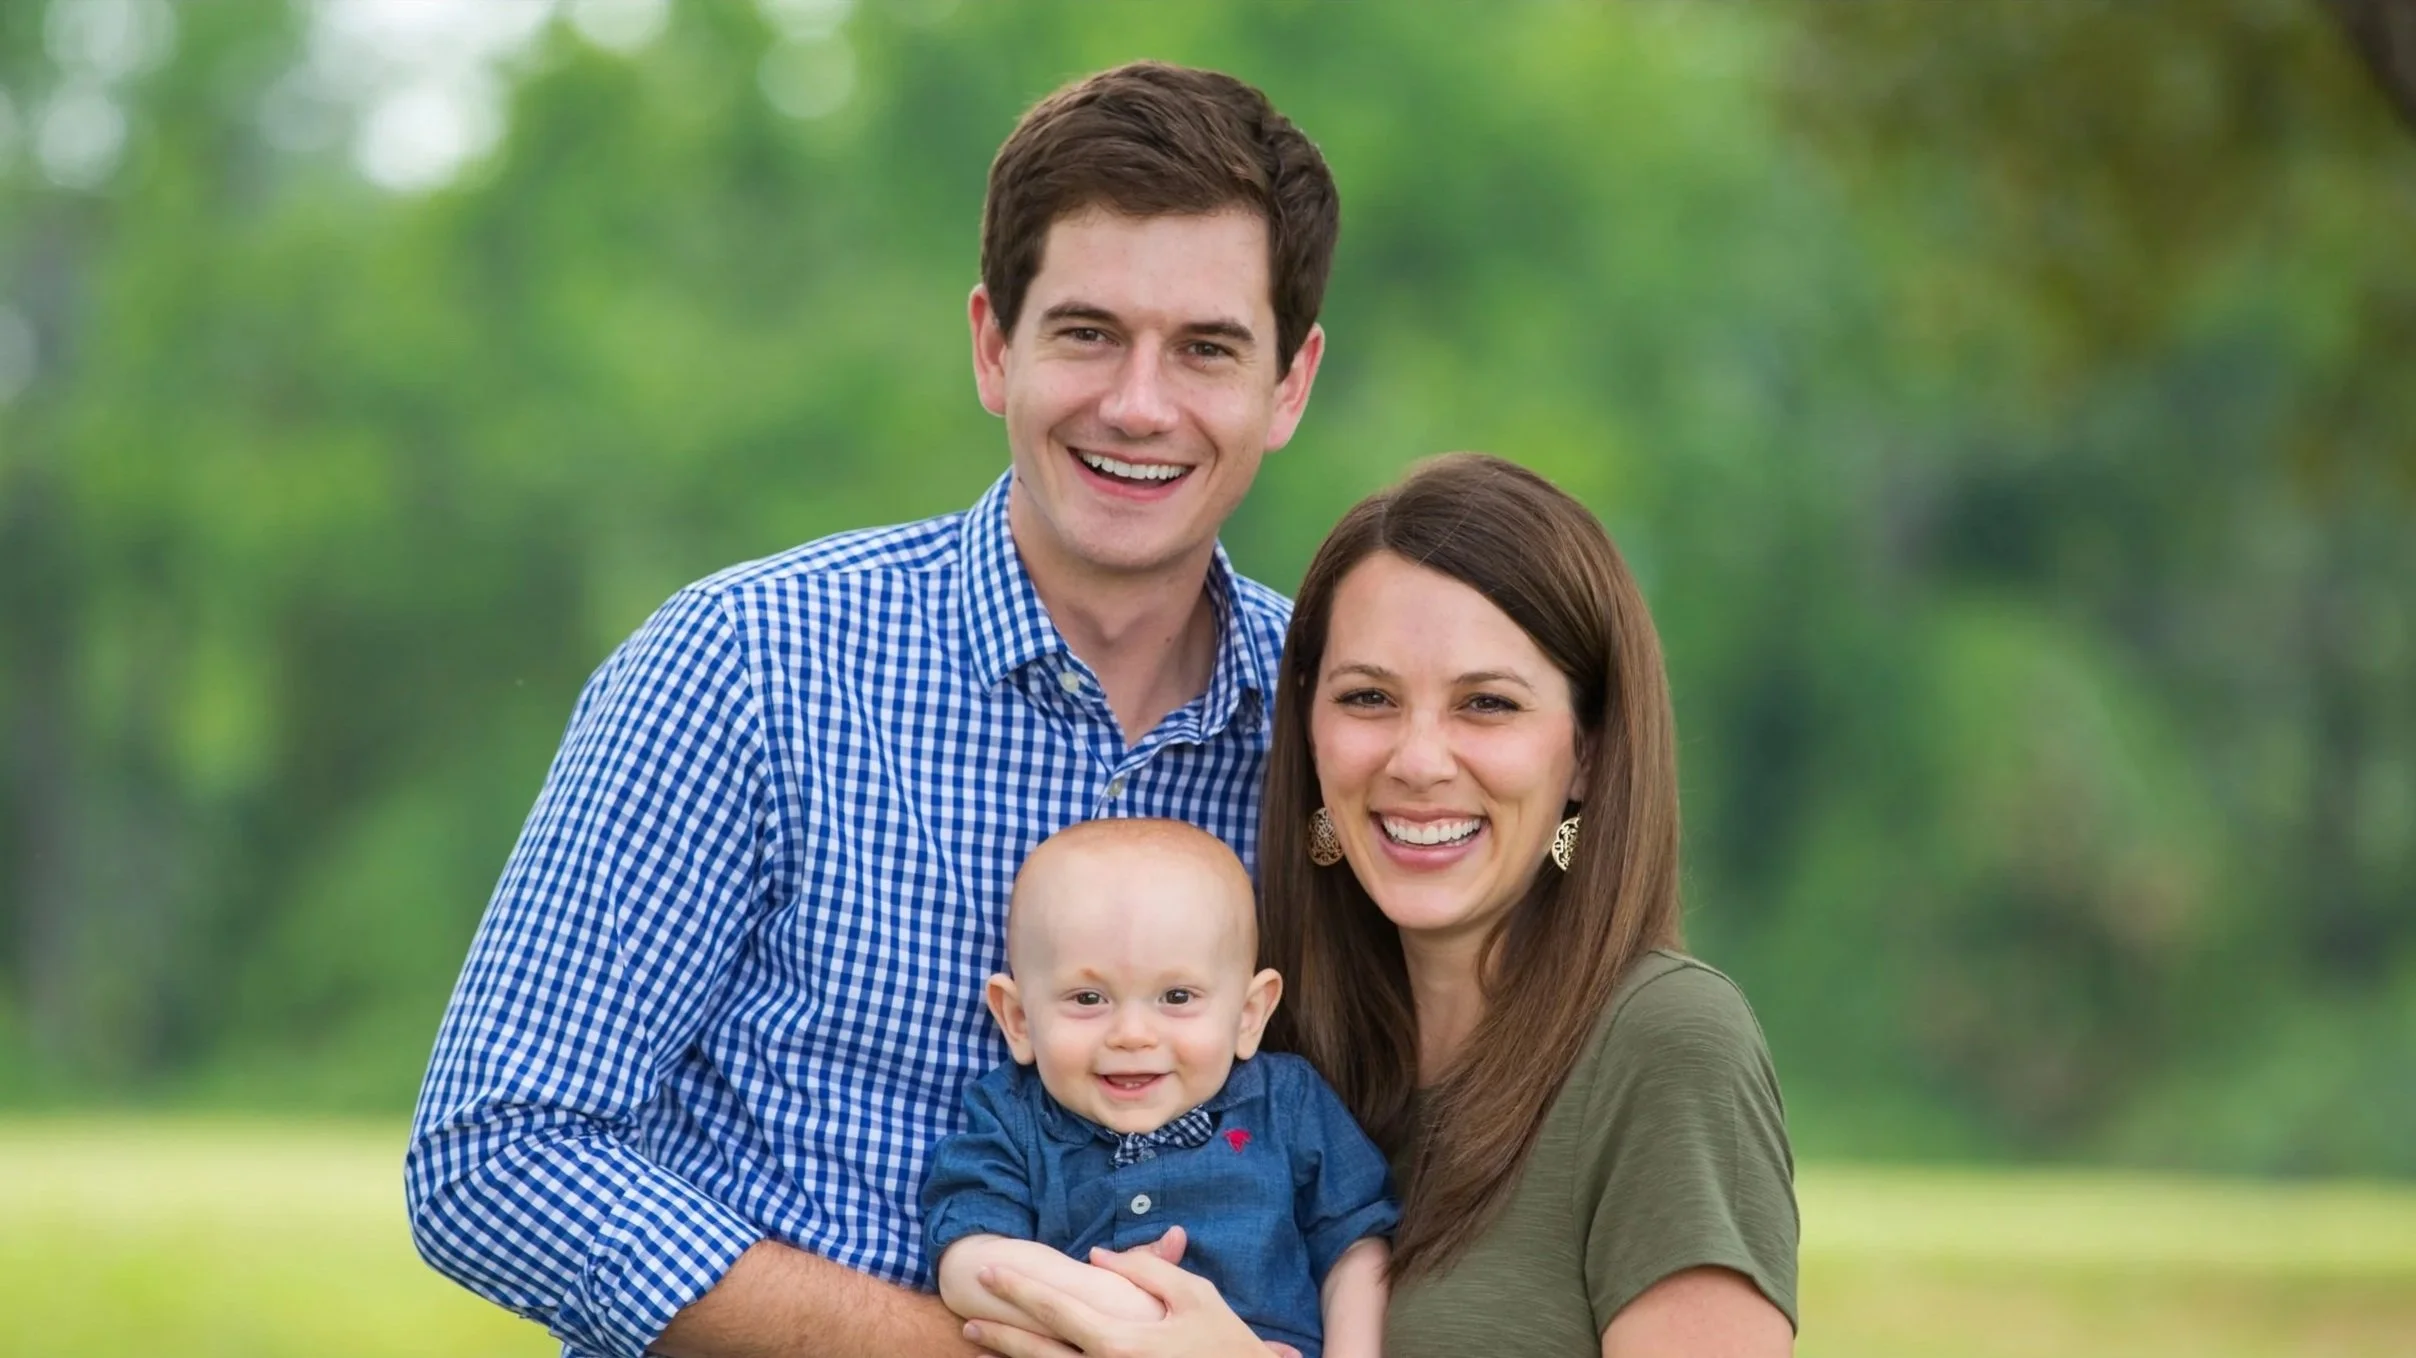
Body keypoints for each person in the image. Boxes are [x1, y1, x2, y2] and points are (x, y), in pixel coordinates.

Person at [405, 61, 1336, 1358]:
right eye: (1085, 333)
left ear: (1288, 383)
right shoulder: (748, 664)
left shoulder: (1338, 730)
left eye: (1206, 348)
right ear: (993, 346)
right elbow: (495, 1151)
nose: (1138, 403)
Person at [964, 454, 1798, 1358]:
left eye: (1487, 704)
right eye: (1368, 698)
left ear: (1587, 754)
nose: (1418, 761)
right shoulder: (1269, 1056)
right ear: (1308, 729)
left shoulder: (1669, 1044)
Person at [921, 818, 1393, 1358]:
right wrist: (1138, 1316)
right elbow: (967, 1261)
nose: (1132, 1035)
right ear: (1019, 1020)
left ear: (1248, 1015)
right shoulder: (1015, 1116)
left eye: (1177, 996)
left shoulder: (1285, 1103)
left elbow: (1356, 1242)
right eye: (1088, 999)